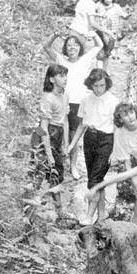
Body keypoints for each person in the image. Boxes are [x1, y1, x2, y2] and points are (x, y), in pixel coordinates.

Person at [70, 69, 118, 220]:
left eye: (102, 85)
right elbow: (81, 125)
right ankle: (102, 213)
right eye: (95, 85)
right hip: (90, 138)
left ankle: (89, 215)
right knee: (95, 178)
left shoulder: (114, 102)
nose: (98, 89)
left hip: (106, 140)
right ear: (91, 84)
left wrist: (114, 151)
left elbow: (118, 129)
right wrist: (72, 144)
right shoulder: (86, 100)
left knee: (94, 180)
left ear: (107, 84)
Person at [43, 34, 108, 143]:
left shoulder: (85, 59)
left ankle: (72, 160)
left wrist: (93, 34)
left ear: (80, 48)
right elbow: (46, 46)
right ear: (65, 49)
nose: (72, 47)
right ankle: (60, 159)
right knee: (59, 134)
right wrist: (55, 35)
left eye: (75, 45)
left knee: (73, 138)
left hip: (79, 103)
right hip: (62, 102)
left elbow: (99, 45)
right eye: (69, 45)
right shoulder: (61, 60)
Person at [29, 64, 71, 222]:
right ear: (52, 79)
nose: (64, 79)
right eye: (60, 76)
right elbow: (43, 127)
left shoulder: (65, 95)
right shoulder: (47, 97)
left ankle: (60, 212)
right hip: (44, 136)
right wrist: (48, 153)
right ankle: (28, 213)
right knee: (39, 172)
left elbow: (65, 121)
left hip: (58, 134)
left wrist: (66, 144)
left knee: (57, 173)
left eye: (65, 75)